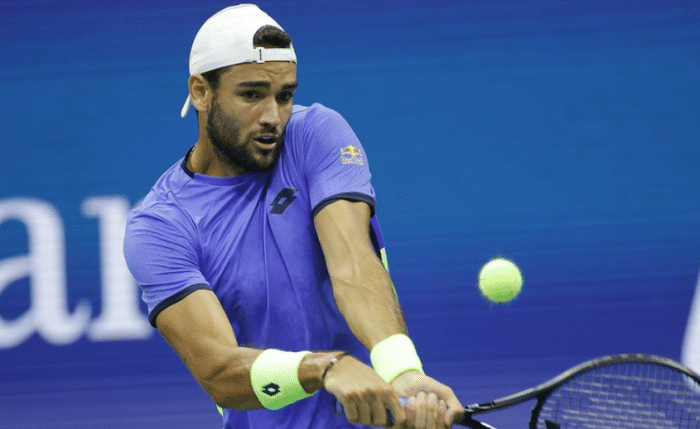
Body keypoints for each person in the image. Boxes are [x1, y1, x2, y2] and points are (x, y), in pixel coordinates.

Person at [123, 4, 463, 429]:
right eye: (251, 95)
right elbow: (218, 370)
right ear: (200, 92)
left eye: (284, 96)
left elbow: (352, 264)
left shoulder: (315, 134)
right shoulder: (159, 226)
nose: (272, 117)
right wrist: (325, 367)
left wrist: (403, 372)